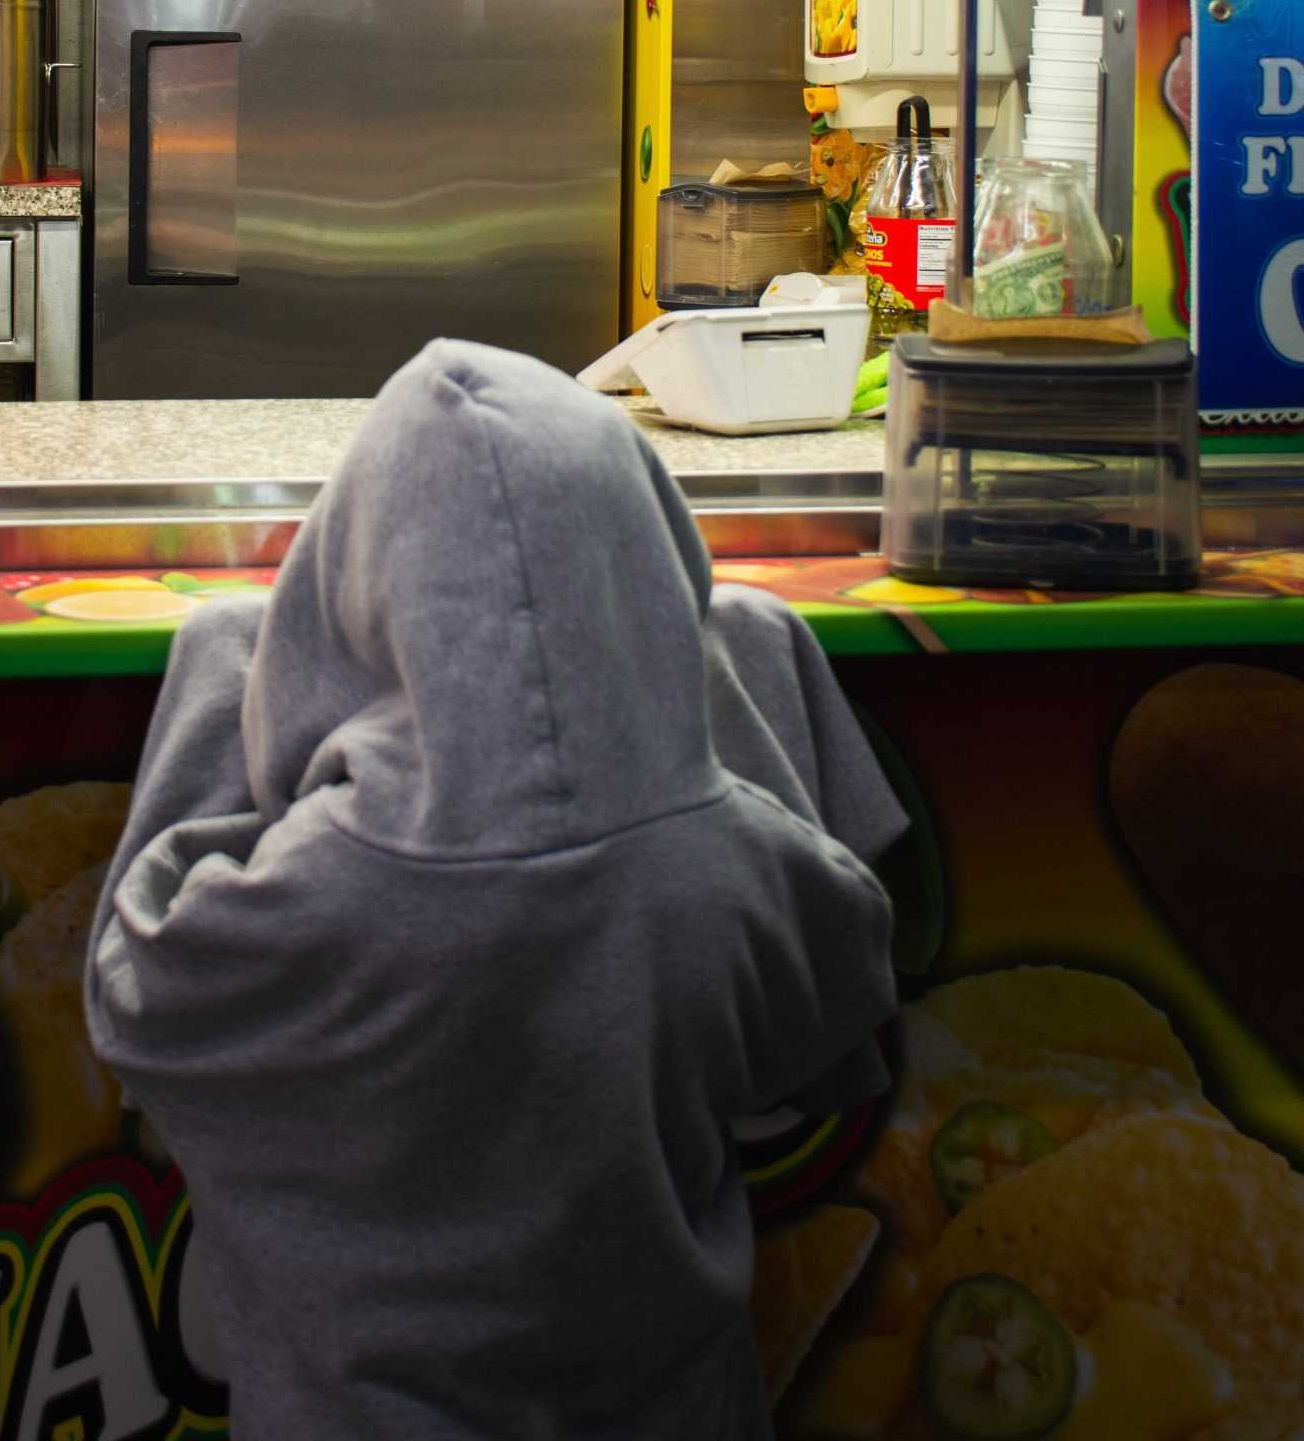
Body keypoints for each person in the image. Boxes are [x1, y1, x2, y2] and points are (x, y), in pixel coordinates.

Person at [86, 339, 901, 1439]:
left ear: (350, 588)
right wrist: (698, 676)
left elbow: (133, 995)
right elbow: (841, 1037)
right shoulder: (730, 873)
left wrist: (229, 658)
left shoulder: (304, 905)